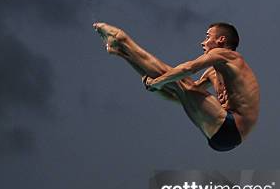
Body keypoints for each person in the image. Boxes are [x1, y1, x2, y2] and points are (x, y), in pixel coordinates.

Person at [93, 22, 260, 152]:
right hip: (220, 136)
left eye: (208, 36)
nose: (203, 42)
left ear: (221, 40)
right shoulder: (213, 73)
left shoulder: (229, 56)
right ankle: (122, 52)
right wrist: (156, 86)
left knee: (180, 82)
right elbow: (180, 95)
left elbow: (188, 68)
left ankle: (121, 38)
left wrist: (158, 82)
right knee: (178, 88)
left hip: (232, 128)